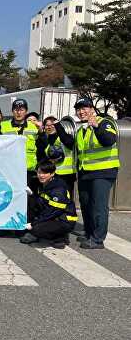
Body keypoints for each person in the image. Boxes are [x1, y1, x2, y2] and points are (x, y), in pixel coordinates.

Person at [67, 98, 120, 249]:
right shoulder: (81, 129)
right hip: (86, 172)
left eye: (84, 108)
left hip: (103, 171)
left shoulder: (104, 122)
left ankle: (98, 239)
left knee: (98, 205)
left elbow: (109, 140)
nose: (81, 111)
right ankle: (89, 232)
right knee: (86, 204)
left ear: (92, 109)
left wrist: (97, 127)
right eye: (78, 109)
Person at [20, 161, 77, 249]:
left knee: (36, 228)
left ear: (52, 173)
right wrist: (31, 194)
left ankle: (60, 237)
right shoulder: (40, 182)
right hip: (52, 215)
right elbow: (40, 202)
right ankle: (49, 233)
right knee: (31, 200)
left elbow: (53, 212)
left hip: (64, 220)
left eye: (45, 173)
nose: (41, 175)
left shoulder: (58, 189)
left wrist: (34, 224)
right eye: (39, 172)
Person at [0, 99, 42, 194]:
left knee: (30, 200)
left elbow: (41, 147)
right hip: (10, 170)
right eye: (16, 110)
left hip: (29, 171)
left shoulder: (34, 126)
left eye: (21, 110)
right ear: (12, 111)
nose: (18, 112)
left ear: (26, 111)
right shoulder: (3, 126)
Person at [38, 116, 76, 197]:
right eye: (47, 125)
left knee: (65, 199)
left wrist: (58, 126)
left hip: (66, 175)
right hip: (52, 176)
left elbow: (69, 143)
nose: (50, 127)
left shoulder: (64, 136)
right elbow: (41, 155)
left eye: (52, 124)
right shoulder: (46, 140)